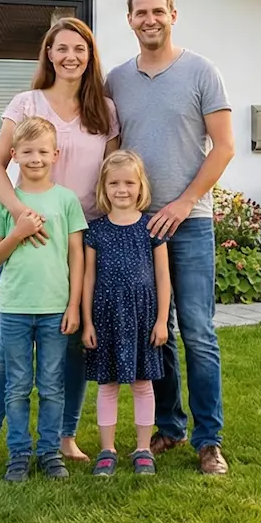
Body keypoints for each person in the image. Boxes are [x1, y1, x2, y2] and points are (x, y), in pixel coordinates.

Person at [0, 18, 118, 473]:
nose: (70, 56)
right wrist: (18, 214)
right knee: (3, 357)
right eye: (61, 47)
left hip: (81, 235)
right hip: (28, 238)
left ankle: (63, 437)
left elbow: (108, 174)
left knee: (72, 344)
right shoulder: (25, 103)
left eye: (79, 49)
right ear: (48, 53)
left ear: (90, 56)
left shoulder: (104, 110)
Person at [104, 0, 235, 475]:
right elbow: (110, 148)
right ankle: (170, 426)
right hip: (137, 227)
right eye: (141, 13)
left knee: (198, 332)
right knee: (155, 330)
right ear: (130, 20)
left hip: (190, 223)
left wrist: (184, 202)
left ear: (173, 15)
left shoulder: (202, 71)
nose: (149, 19)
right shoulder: (116, 80)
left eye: (158, 11)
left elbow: (223, 146)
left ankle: (209, 440)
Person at [0, 116, 86, 482]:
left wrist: (74, 305)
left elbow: (77, 255)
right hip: (15, 309)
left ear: (55, 154)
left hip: (56, 308)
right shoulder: (6, 203)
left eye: (43, 151)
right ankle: (19, 454)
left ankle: (49, 452)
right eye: (27, 151)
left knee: (53, 384)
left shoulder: (66, 201)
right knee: (18, 385)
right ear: (14, 155)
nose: (36, 158)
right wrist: (19, 231)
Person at [80, 150, 172, 477]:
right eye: (114, 183)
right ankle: (107, 450)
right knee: (107, 385)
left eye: (129, 183)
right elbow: (89, 277)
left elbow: (163, 277)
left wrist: (162, 320)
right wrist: (87, 321)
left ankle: (143, 448)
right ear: (103, 188)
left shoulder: (152, 228)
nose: (122, 189)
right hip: (105, 315)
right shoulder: (96, 231)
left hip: (143, 316)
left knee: (142, 383)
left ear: (140, 186)